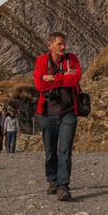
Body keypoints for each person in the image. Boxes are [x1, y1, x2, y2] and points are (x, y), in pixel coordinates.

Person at [34, 31, 82, 201]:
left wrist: (53, 77)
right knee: (49, 152)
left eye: (64, 44)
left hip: (68, 113)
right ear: (50, 46)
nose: (63, 47)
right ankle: (52, 180)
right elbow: (39, 84)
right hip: (48, 114)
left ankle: (63, 186)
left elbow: (75, 80)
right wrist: (63, 77)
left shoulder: (72, 59)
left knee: (65, 150)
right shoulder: (41, 61)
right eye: (59, 44)